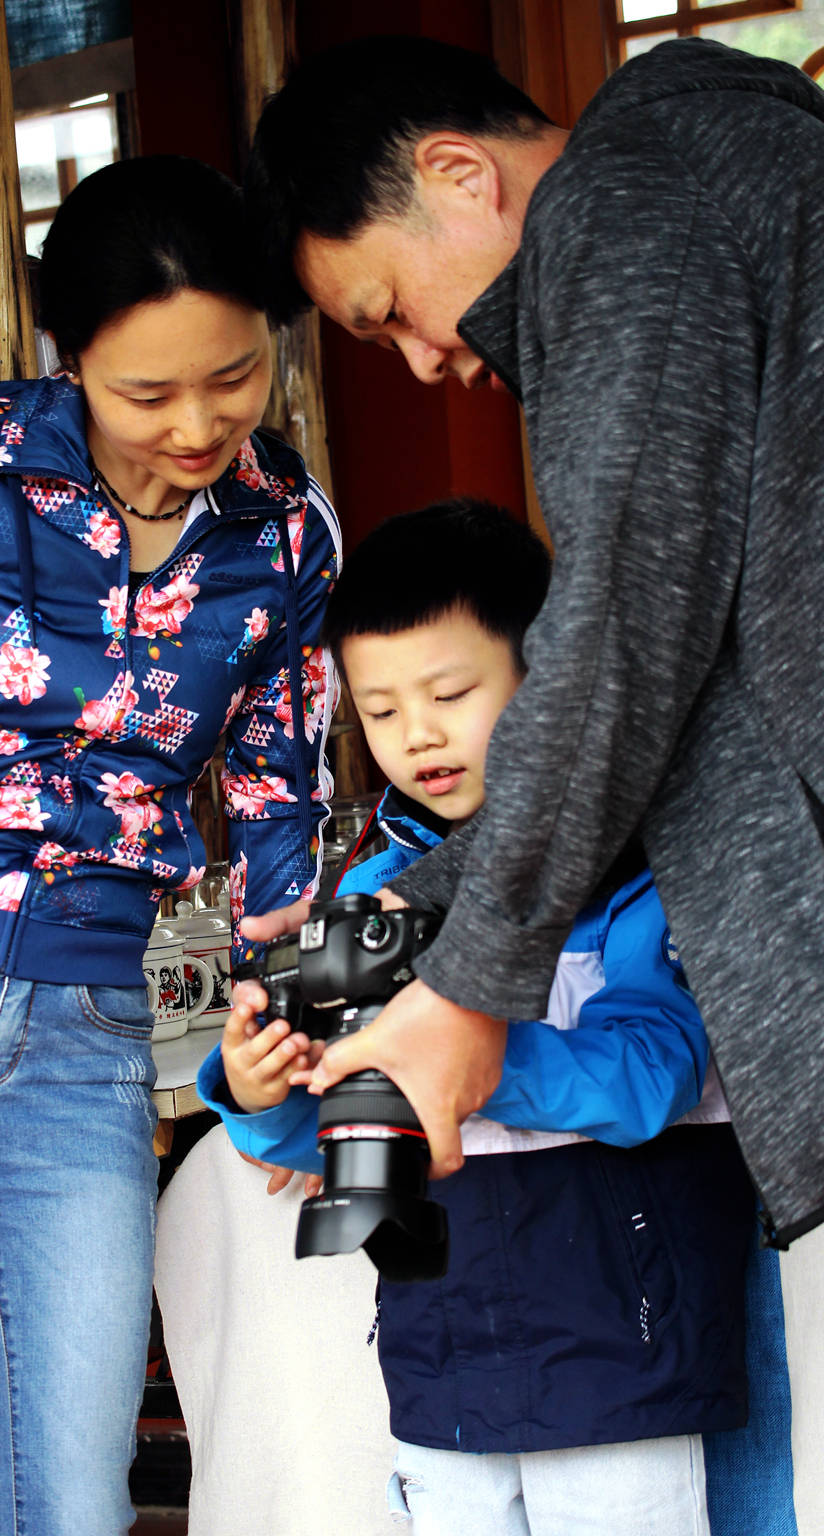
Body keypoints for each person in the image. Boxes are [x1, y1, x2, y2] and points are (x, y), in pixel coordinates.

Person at [0, 154, 340, 1536]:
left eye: (231, 376)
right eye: (146, 392)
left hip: (88, 1037)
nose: (198, 423)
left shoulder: (285, 534)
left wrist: (303, 1022)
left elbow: (285, 796)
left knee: (80, 1496)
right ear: (70, 360)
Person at [240, 32, 824, 1252]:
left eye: (390, 310)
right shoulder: (712, 171)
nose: (424, 360)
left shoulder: (628, 197)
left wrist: (462, 990)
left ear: (459, 172)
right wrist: (396, 913)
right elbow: (661, 671)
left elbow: (621, 631)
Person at [198, 499, 754, 1535]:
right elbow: (327, 1125)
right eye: (380, 709)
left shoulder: (637, 879)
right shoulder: (374, 896)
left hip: (621, 1359)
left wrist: (462, 1058)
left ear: (546, 682)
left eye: (451, 692)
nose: (418, 735)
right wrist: (255, 1090)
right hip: (441, 1360)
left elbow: (652, 1073)